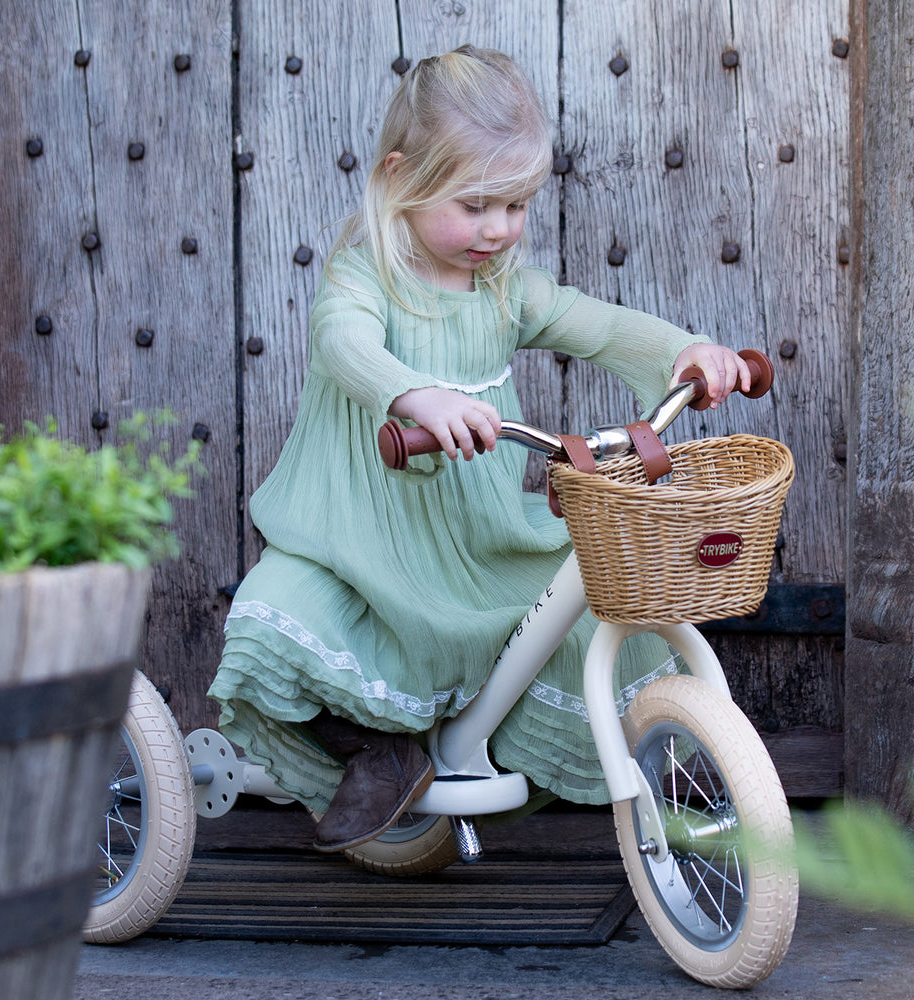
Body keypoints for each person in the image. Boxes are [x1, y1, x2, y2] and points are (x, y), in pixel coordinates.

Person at [208, 45, 751, 853]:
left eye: (516, 205)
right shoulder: (368, 279)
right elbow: (341, 342)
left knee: (588, 604)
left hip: (474, 542)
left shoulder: (506, 294)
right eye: (475, 205)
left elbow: (597, 325)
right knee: (271, 621)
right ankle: (370, 749)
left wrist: (689, 350)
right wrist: (412, 394)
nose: (498, 230)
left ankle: (591, 755)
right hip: (358, 541)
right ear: (399, 179)